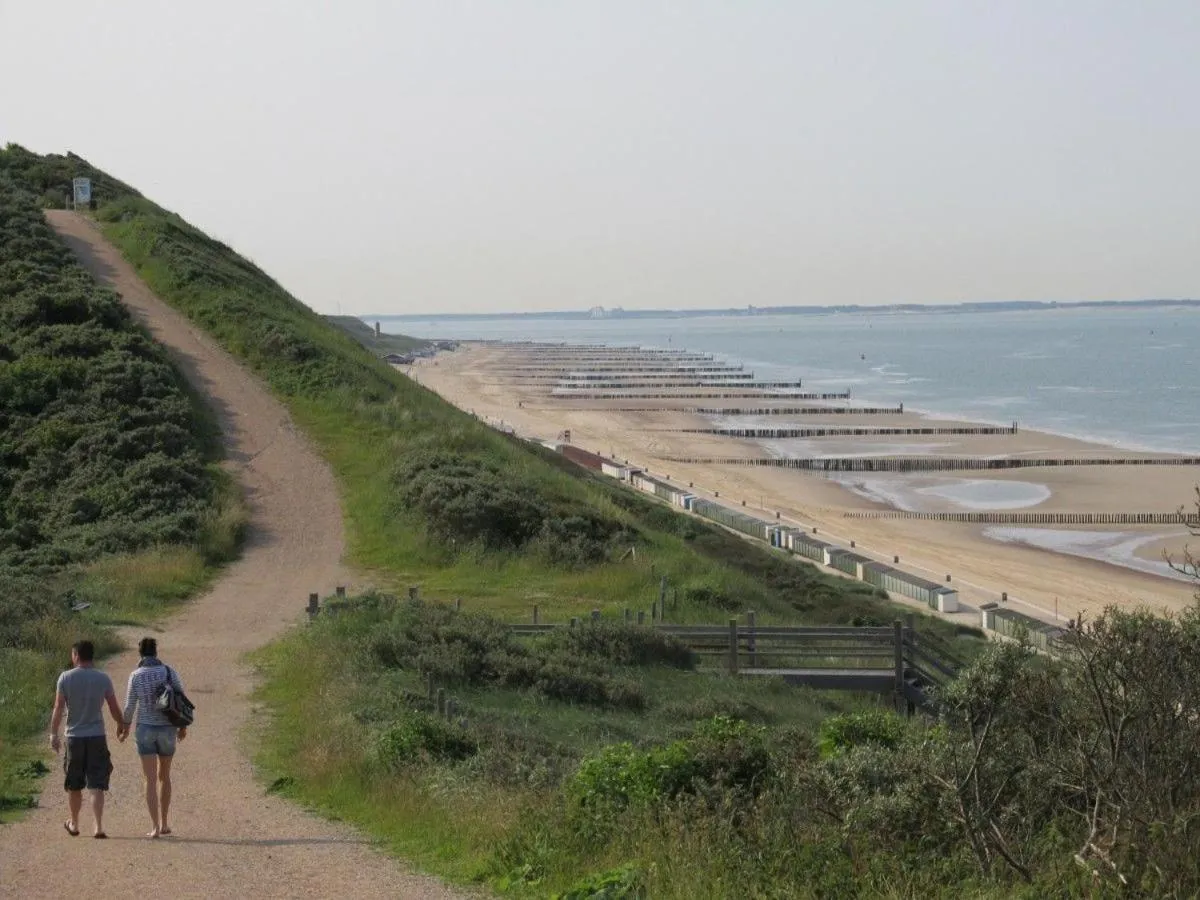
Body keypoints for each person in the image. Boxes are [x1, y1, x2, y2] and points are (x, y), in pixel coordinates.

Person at [49, 640, 127, 838]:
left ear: (76, 655)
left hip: (74, 737)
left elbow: (58, 708)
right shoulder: (103, 679)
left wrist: (53, 734)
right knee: (97, 783)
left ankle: (74, 823)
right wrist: (121, 724)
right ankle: (98, 827)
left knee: (74, 783)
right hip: (97, 736)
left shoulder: (65, 678)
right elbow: (113, 707)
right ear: (92, 656)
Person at [120, 637, 188, 838]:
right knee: (164, 777)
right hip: (167, 729)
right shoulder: (168, 671)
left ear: (140, 653)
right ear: (156, 652)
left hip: (145, 729)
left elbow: (130, 705)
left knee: (149, 779)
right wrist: (182, 726)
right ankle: (166, 822)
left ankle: (155, 827)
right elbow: (180, 697)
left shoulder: (136, 675)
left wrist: (124, 727)